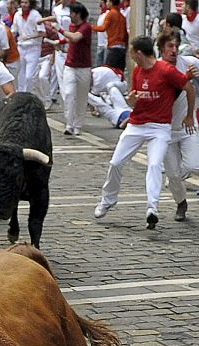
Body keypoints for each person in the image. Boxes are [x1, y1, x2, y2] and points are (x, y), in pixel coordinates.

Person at [94, 36, 195, 229]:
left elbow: (188, 88)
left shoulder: (166, 70)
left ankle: (152, 208)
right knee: (116, 162)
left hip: (160, 128)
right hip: (137, 125)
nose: (130, 56)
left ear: (138, 53)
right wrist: (132, 101)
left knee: (155, 164)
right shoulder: (138, 71)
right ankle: (107, 201)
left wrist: (189, 115)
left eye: (131, 52)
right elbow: (134, 101)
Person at [158, 30, 198, 222]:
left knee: (192, 164)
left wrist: (190, 115)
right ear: (161, 48)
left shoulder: (188, 63)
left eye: (176, 46)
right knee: (173, 175)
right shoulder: (156, 69)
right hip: (165, 129)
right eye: (169, 46)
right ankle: (181, 203)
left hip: (187, 125)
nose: (174, 50)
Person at [60, 2, 91, 136]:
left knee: (81, 97)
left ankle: (78, 125)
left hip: (84, 67)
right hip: (70, 66)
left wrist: (59, 30)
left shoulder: (86, 27)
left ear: (78, 14)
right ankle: (69, 124)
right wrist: (58, 42)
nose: (70, 15)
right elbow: (69, 39)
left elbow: (75, 37)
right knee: (68, 93)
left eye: (72, 13)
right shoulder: (72, 26)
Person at [11, 0, 44, 93]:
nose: (24, 5)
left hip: (33, 48)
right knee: (21, 75)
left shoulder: (36, 15)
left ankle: (28, 95)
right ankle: (22, 95)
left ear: (30, 3)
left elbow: (42, 32)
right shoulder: (17, 14)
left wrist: (28, 37)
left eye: (26, 2)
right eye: (22, 2)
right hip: (21, 47)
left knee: (29, 76)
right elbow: (14, 31)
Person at [91, 0, 126, 69]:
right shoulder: (122, 16)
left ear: (111, 2)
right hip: (122, 47)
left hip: (113, 46)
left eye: (107, 1)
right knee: (119, 71)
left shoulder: (110, 14)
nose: (106, 3)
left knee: (110, 70)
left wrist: (91, 27)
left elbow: (103, 28)